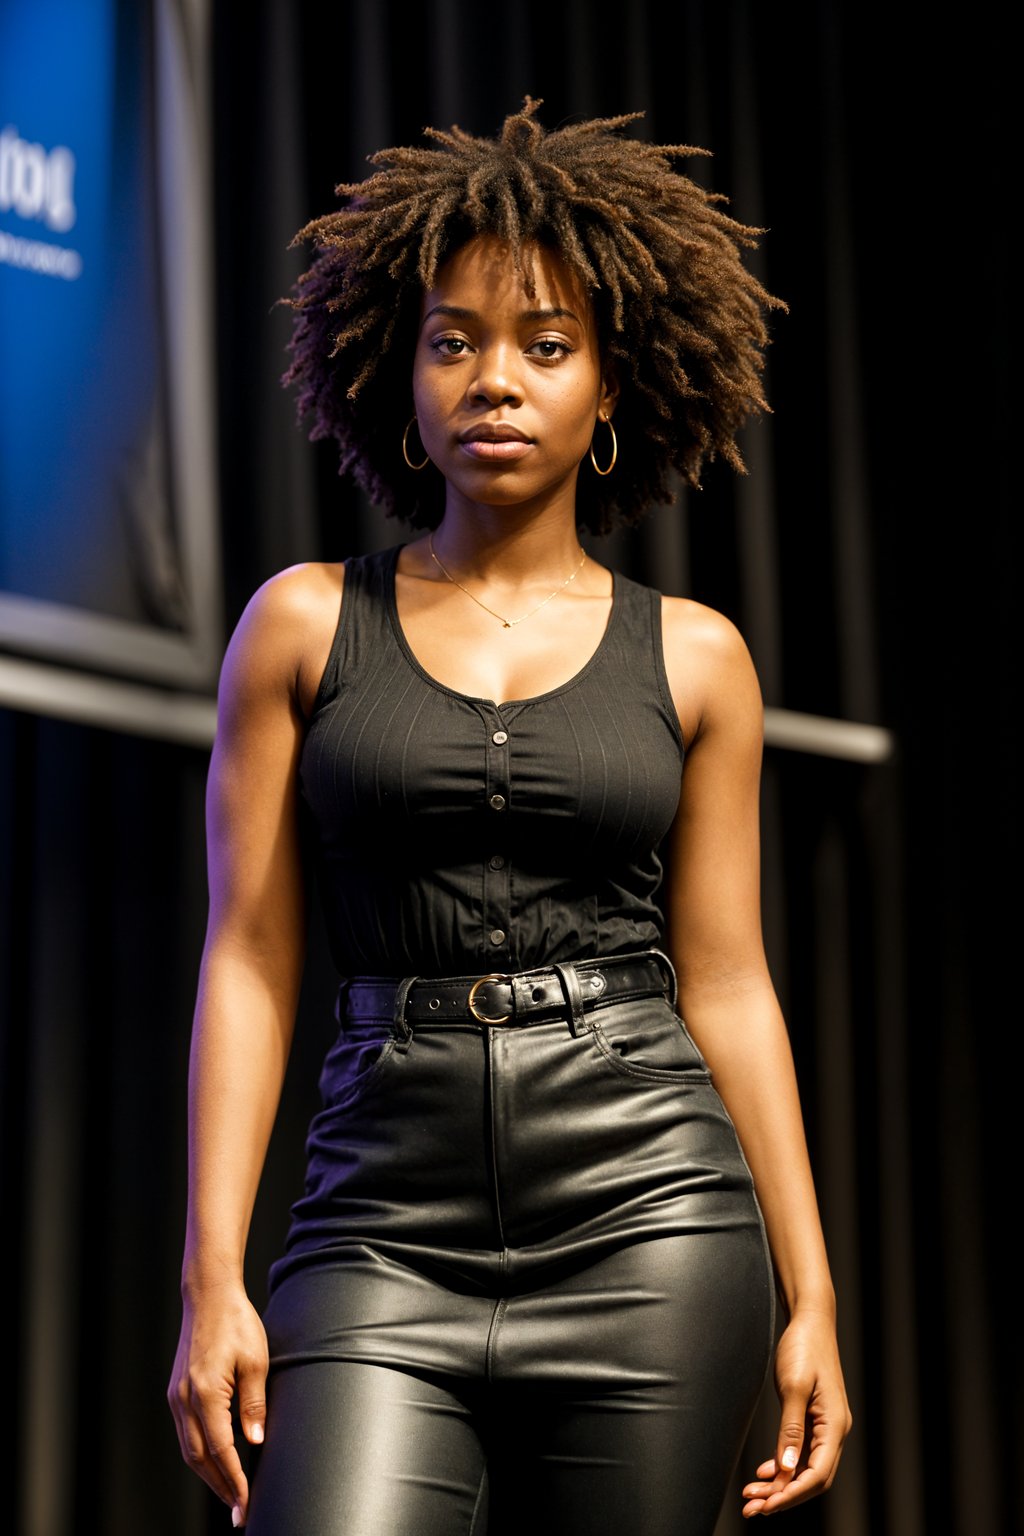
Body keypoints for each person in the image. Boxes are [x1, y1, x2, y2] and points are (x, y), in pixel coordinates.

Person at [167, 98, 851, 1534]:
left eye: (545, 346)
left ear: (612, 389)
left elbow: (727, 979)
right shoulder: (299, 625)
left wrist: (814, 1294)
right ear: (399, 376)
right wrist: (210, 1278)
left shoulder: (698, 656)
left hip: (649, 1213)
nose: (495, 379)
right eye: (454, 339)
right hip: (377, 1231)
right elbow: (248, 958)